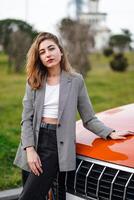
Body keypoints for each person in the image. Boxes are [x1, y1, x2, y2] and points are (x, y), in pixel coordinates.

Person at [13, 32, 133, 200]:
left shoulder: (76, 80)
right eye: (42, 52)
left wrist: (109, 132)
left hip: (54, 143)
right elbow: (27, 118)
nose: (48, 54)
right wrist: (30, 149)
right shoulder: (34, 81)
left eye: (51, 48)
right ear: (39, 58)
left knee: (29, 196)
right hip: (31, 141)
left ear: (60, 52)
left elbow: (89, 118)